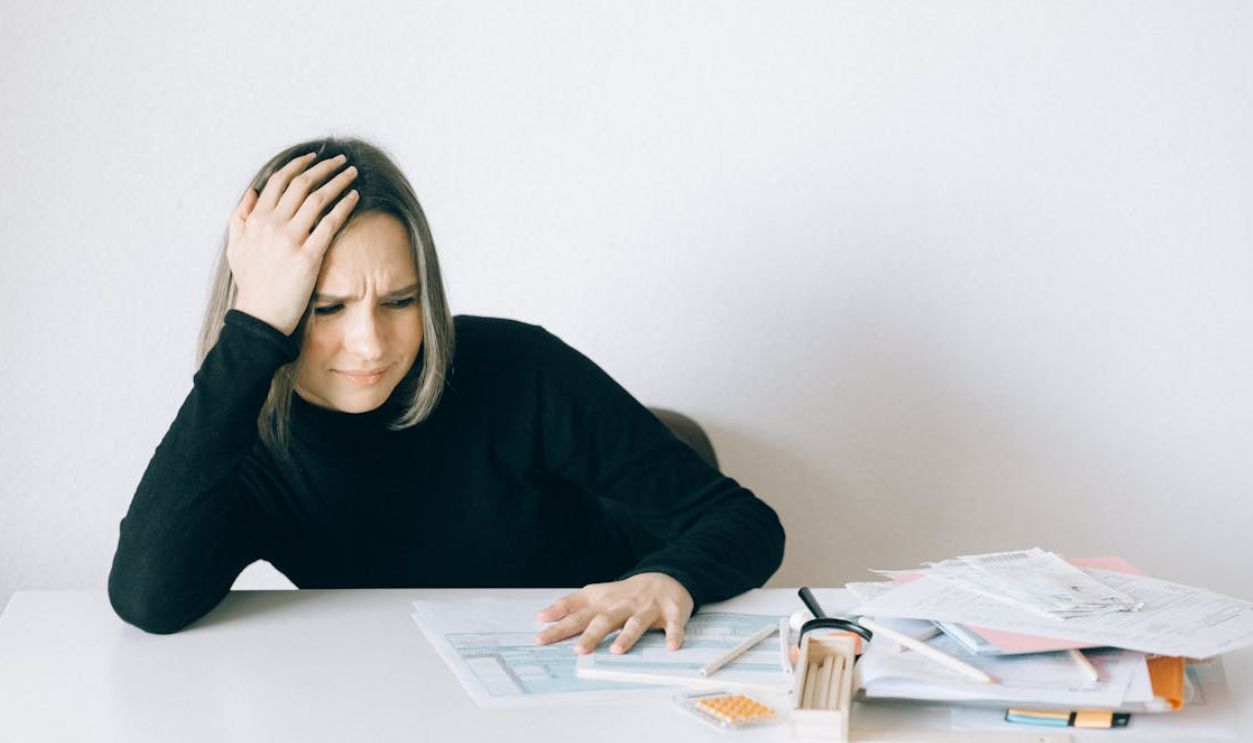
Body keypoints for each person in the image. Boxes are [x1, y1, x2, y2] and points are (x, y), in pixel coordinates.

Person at [108, 136, 785, 655]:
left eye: (399, 300)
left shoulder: (520, 369)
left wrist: (671, 576)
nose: (370, 345)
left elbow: (745, 522)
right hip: (408, 690)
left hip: (588, 670)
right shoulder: (245, 441)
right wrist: (250, 335)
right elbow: (146, 599)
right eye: (325, 308)